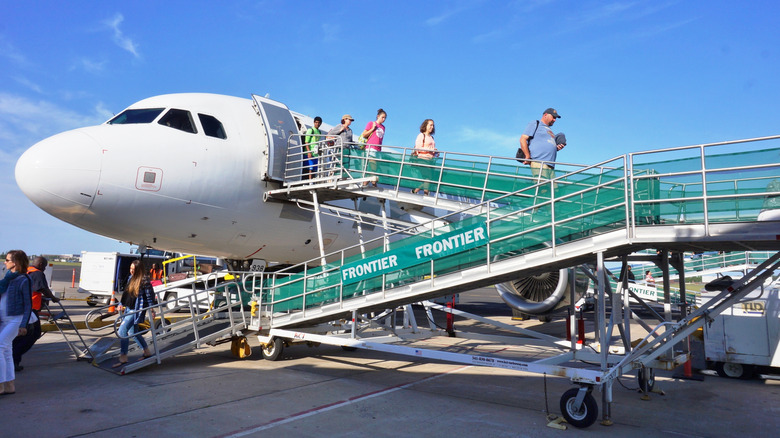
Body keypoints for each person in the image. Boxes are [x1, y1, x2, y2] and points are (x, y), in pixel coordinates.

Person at [12, 256, 59, 372]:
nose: (45, 268)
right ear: (41, 264)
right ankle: (13, 358)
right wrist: (53, 298)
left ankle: (13, 358)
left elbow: (34, 290)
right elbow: (43, 288)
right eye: (45, 266)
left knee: (22, 334)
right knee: (33, 333)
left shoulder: (28, 272)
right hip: (30, 310)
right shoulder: (38, 274)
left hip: (23, 308)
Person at [113, 260, 157, 368]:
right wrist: (121, 304)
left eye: (134, 269)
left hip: (136, 310)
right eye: (130, 269)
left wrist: (152, 310)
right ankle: (146, 351)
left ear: (138, 270)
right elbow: (126, 294)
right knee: (134, 332)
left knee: (122, 330)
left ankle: (123, 356)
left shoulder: (144, 280)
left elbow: (150, 297)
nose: (131, 271)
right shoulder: (130, 278)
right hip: (128, 309)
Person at [1, 250, 33, 395]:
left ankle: (1, 384)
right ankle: (9, 385)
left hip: (16, 319)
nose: (4, 262)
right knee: (6, 350)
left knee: (1, 346)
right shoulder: (7, 279)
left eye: (7, 260)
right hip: (3, 318)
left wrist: (23, 324)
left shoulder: (24, 280)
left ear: (16, 262)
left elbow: (28, 305)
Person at [519, 108, 565, 180]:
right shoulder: (535, 123)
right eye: (553, 117)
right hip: (539, 162)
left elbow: (546, 145)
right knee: (543, 188)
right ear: (545, 115)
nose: (554, 120)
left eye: (555, 118)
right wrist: (527, 156)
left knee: (554, 190)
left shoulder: (550, 130)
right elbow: (523, 139)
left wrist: (556, 148)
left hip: (551, 165)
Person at [360, 109, 387, 187]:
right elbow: (364, 134)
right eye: (382, 117)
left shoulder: (383, 127)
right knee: (373, 166)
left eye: (385, 118)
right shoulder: (371, 123)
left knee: (374, 168)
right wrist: (372, 128)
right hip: (370, 148)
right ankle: (374, 183)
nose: (384, 119)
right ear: (378, 116)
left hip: (378, 149)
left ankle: (364, 184)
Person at [411, 118, 438, 195]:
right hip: (422, 159)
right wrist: (431, 149)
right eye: (430, 125)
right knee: (427, 178)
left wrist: (435, 152)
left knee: (428, 179)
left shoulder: (431, 138)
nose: (432, 127)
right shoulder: (421, 135)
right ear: (425, 125)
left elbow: (431, 149)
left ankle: (414, 191)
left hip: (430, 160)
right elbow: (418, 148)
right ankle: (426, 194)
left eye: (433, 125)